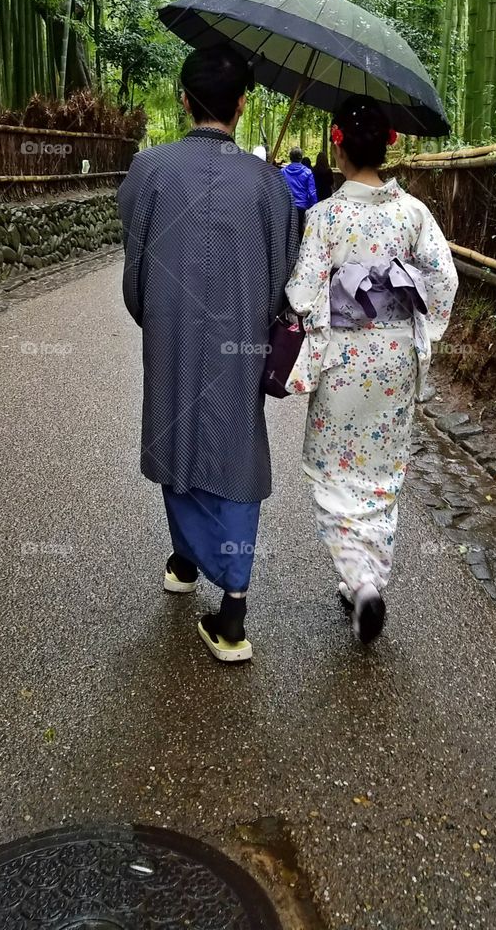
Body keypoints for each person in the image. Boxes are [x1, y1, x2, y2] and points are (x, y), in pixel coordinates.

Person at [118, 45, 298, 663]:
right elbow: (283, 280)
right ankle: (231, 607)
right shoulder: (270, 185)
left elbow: (135, 265)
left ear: (182, 97)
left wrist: (156, 314)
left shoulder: (150, 169)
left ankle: (190, 564)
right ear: (243, 105)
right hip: (242, 338)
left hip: (171, 332)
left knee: (177, 437)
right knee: (234, 448)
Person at [285, 94, 457, 645]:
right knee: (381, 475)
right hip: (393, 361)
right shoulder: (414, 214)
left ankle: (358, 582)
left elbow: (303, 291)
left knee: (335, 473)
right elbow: (443, 281)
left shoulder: (325, 216)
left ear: (337, 145)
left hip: (342, 358)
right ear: (390, 144)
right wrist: (421, 332)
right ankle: (371, 581)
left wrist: (317, 318)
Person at [281, 146, 317, 237]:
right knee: (300, 234)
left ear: (290, 157)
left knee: (287, 233)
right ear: (301, 158)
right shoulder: (308, 172)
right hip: (302, 207)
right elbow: (312, 193)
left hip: (287, 207)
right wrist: (315, 207)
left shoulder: (282, 172)